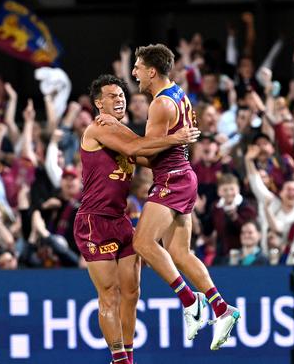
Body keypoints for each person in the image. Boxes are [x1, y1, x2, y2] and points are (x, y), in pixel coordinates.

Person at [73, 74, 199, 364]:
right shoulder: (98, 128)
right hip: (94, 222)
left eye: (121, 95)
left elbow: (145, 154)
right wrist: (175, 137)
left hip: (120, 219)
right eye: (112, 96)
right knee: (110, 295)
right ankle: (119, 359)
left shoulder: (123, 131)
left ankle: (129, 355)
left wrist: (176, 149)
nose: (119, 99)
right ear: (98, 103)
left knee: (132, 291)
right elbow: (133, 150)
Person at [130, 43, 240, 351]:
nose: (134, 72)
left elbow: (147, 153)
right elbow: (161, 147)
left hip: (172, 179)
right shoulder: (178, 93)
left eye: (138, 66)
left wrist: (119, 151)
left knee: (141, 243)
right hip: (183, 175)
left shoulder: (160, 105)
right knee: (180, 253)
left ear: (152, 71)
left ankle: (191, 302)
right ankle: (222, 309)